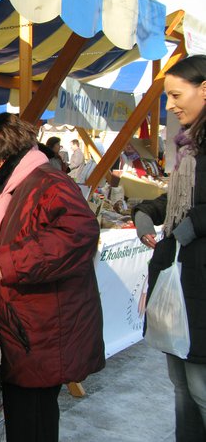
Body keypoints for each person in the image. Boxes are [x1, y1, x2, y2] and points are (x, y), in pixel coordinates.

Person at [0, 113, 105, 442]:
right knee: (22, 419)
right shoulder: (12, 188)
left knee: (32, 423)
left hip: (41, 332)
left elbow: (79, 233)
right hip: (22, 328)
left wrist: (9, 262)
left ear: (3, 157)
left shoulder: (48, 183)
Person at [132, 54, 206, 442]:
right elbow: (180, 199)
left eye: (177, 95)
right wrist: (147, 210)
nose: (172, 105)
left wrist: (189, 228)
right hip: (182, 278)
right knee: (182, 387)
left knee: (199, 388)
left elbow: (197, 210)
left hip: (200, 285)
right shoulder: (189, 147)